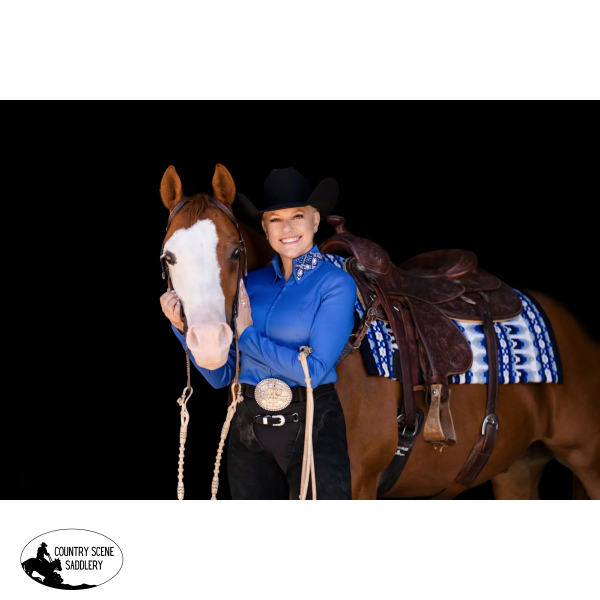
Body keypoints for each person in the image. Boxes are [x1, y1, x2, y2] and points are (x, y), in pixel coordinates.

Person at [161, 168, 357, 499]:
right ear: (264, 229)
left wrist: (248, 335)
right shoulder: (249, 285)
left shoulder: (335, 284)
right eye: (275, 220)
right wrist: (182, 330)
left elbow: (314, 371)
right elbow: (221, 377)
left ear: (315, 221)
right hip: (248, 429)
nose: (287, 228)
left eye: (297, 216)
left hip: (311, 426)